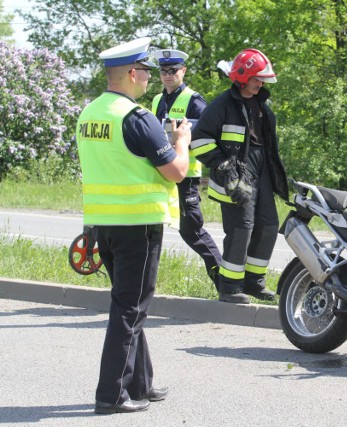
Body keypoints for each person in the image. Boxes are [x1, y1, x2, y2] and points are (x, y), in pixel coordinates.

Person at [76, 37, 191, 414]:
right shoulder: (135, 117)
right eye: (144, 70)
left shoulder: (90, 113)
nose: (149, 78)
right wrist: (182, 141)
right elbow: (175, 172)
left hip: (104, 223)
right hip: (137, 224)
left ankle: (140, 383)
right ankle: (110, 395)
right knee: (130, 309)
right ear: (130, 73)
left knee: (127, 303)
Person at [191, 48, 288, 304]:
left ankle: (254, 282)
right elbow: (199, 139)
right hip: (234, 176)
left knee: (268, 227)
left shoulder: (263, 107)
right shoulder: (223, 104)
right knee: (241, 228)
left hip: (261, 172)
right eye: (256, 78)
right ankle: (229, 287)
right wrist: (223, 166)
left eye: (262, 79)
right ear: (242, 76)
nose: (260, 83)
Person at [151, 48, 222, 287]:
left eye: (173, 70)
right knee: (151, 228)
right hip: (162, 174)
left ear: (183, 71)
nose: (168, 75)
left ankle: (224, 281)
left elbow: (208, 134)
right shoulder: (157, 100)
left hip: (186, 176)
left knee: (191, 230)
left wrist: (182, 140)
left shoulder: (194, 100)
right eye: (163, 71)